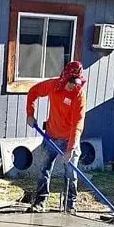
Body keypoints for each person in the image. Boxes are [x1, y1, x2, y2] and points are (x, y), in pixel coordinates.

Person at [26, 60, 87, 213]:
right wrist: (30, 114)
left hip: (69, 139)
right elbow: (33, 92)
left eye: (76, 83)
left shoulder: (79, 95)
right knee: (43, 169)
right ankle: (40, 201)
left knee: (71, 173)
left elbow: (77, 124)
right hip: (51, 136)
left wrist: (71, 148)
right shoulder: (53, 86)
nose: (73, 86)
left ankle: (70, 204)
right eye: (71, 82)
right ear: (64, 78)